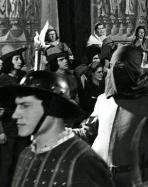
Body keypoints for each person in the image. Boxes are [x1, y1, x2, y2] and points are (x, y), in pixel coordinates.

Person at [74, 44, 148, 186]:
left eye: (124, 66)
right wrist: (62, 132)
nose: (118, 71)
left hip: (134, 180)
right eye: (115, 66)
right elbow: (88, 132)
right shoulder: (104, 99)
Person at [2, 70, 114, 187]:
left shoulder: (83, 161)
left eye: (25, 106)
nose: (15, 114)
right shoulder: (26, 154)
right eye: (17, 106)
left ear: (52, 107)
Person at [0, 46, 29, 186]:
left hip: (21, 129)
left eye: (19, 58)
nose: (20, 61)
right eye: (16, 58)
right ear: (8, 62)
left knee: (21, 163)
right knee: (7, 164)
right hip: (8, 128)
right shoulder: (3, 80)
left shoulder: (21, 77)